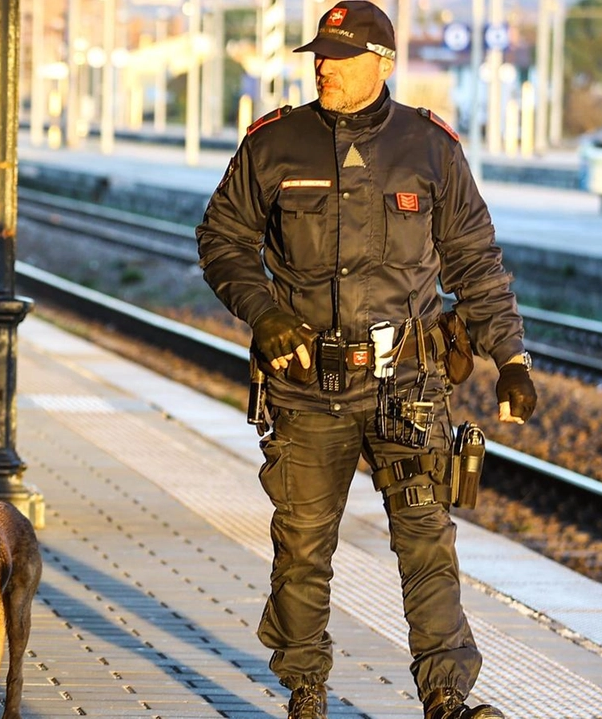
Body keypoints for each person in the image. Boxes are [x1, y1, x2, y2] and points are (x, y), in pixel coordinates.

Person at [196, 3, 537, 718]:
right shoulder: (274, 143)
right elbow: (222, 239)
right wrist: (267, 314)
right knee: (302, 548)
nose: (323, 65)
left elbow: (475, 260)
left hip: (406, 386)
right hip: (305, 386)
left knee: (426, 541)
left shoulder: (431, 148)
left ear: (383, 64)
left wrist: (510, 354)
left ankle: (447, 697)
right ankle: (306, 689)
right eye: (319, 53)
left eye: (340, 56)